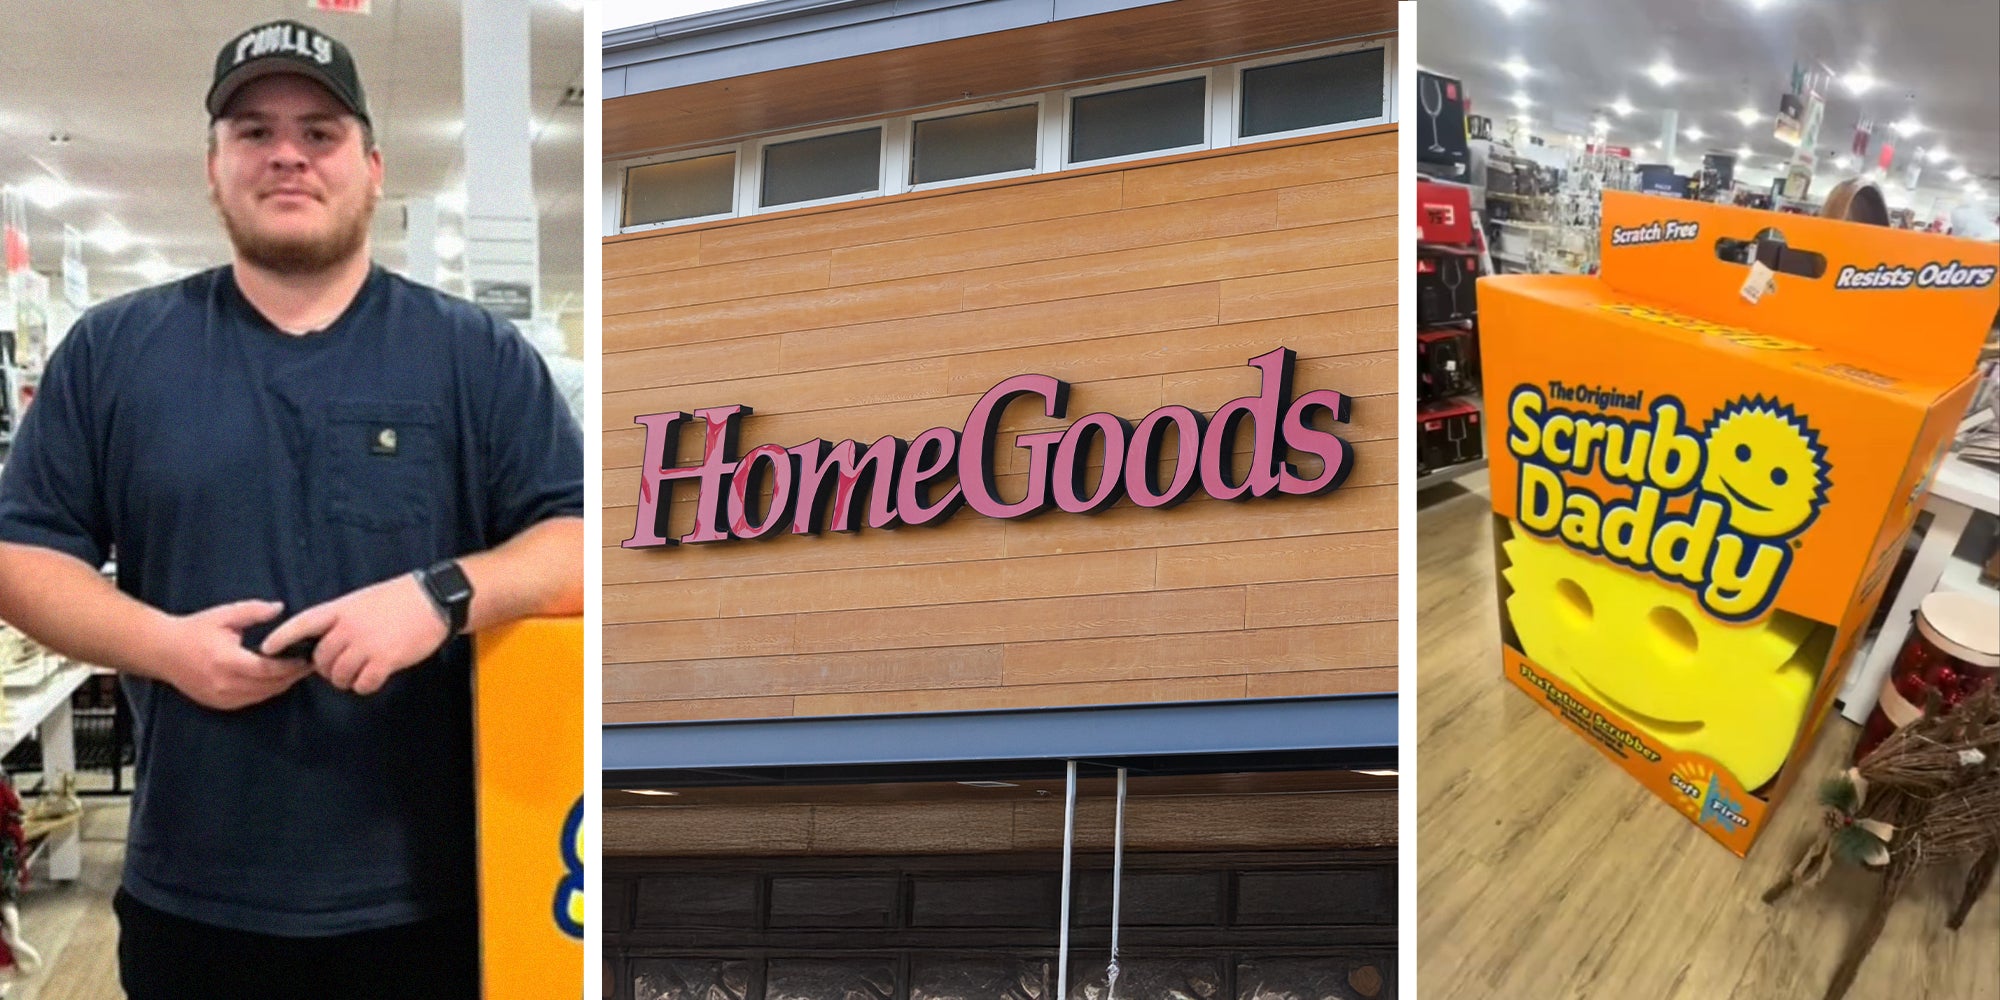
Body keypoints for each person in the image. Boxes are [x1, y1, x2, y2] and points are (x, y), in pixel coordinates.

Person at [0, 19, 582, 999]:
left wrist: (441, 593)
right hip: (193, 895)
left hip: (433, 895)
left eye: (318, 131)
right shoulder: (113, 353)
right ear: (214, 167)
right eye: (253, 131)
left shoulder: (473, 357)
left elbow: (576, 545)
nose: (286, 154)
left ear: (371, 165)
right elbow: (23, 552)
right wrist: (165, 646)